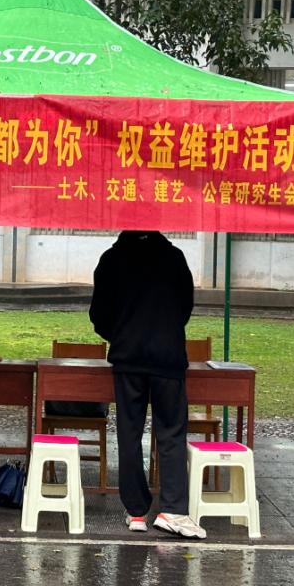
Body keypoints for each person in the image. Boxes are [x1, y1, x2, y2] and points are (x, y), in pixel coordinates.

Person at [88, 230, 206, 539]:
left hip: (128, 358)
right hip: (168, 357)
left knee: (129, 433)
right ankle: (173, 509)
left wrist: (121, 334)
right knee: (171, 432)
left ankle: (136, 510)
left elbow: (99, 314)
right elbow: (185, 306)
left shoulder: (112, 259)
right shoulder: (174, 257)